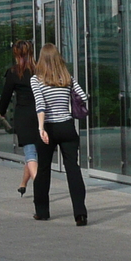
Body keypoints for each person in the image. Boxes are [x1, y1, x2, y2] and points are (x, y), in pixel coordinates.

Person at [30, 43, 89, 224]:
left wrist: (41, 129)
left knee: (44, 170)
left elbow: (40, 105)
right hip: (67, 127)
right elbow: (84, 97)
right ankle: (80, 213)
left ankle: (42, 211)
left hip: (48, 127)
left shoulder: (36, 79)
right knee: (73, 168)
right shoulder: (67, 78)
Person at [0, 40, 39, 197]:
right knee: (33, 151)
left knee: (30, 152)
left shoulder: (14, 72)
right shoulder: (40, 70)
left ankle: (39, 185)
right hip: (41, 114)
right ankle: (23, 184)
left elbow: (6, 95)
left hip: (24, 115)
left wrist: (1, 112)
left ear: (16, 54)